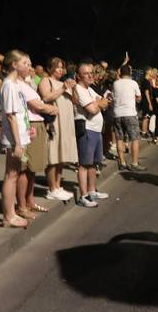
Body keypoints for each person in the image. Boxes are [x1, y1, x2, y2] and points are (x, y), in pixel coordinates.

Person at [0, 50, 32, 228]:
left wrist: (27, 131)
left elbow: (20, 114)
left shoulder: (16, 85)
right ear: (14, 65)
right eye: (25, 63)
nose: (29, 67)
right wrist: (18, 142)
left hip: (20, 136)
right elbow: (11, 116)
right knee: (11, 176)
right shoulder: (9, 85)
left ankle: (10, 213)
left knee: (15, 174)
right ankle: (8, 216)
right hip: (13, 139)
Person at [17, 75, 58, 219]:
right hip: (30, 125)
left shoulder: (26, 84)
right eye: (25, 63)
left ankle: (30, 201)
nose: (29, 67)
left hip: (36, 124)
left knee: (32, 168)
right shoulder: (17, 84)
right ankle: (22, 206)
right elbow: (37, 105)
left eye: (29, 63)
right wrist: (51, 108)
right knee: (25, 168)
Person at [37, 58, 77, 201]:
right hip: (54, 123)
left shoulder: (63, 83)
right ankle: (51, 188)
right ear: (50, 68)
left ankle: (58, 186)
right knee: (53, 156)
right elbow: (47, 97)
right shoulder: (45, 81)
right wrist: (63, 88)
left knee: (61, 156)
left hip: (65, 123)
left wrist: (73, 88)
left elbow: (75, 101)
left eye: (62, 68)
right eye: (58, 67)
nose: (61, 70)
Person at [74, 63, 111, 207]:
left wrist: (100, 103)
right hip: (87, 130)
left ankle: (92, 191)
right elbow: (93, 109)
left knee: (94, 163)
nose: (90, 75)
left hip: (96, 129)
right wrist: (99, 103)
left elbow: (105, 102)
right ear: (78, 76)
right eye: (86, 73)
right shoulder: (79, 89)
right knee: (84, 164)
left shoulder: (89, 89)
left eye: (91, 72)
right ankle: (84, 196)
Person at [113, 64, 146, 171]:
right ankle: (134, 163)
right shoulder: (133, 83)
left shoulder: (115, 84)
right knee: (134, 139)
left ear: (120, 73)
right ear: (130, 73)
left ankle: (122, 162)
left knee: (119, 138)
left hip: (117, 113)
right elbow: (139, 98)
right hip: (130, 113)